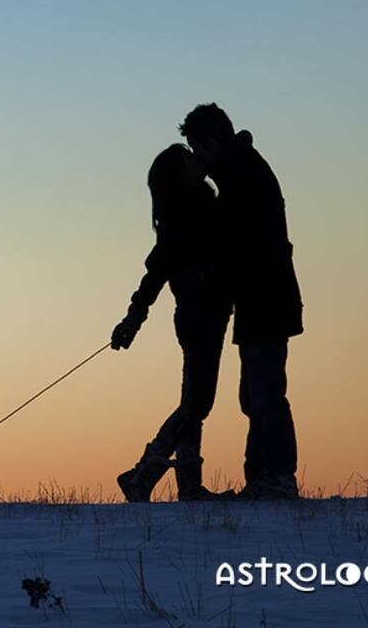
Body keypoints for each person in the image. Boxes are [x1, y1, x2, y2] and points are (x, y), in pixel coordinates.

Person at [178, 103, 303, 500]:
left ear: (212, 142)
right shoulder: (240, 170)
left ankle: (277, 477)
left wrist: (212, 277)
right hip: (260, 298)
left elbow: (242, 245)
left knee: (265, 392)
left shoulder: (241, 175)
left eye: (198, 149)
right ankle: (262, 477)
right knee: (255, 393)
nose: (197, 159)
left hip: (266, 296)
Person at [111, 144, 234, 502]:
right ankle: (142, 475)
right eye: (189, 160)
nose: (197, 162)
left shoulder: (197, 206)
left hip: (205, 312)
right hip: (199, 314)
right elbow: (157, 271)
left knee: (194, 401)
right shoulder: (184, 214)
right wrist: (135, 315)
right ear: (179, 176)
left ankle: (189, 486)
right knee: (197, 404)